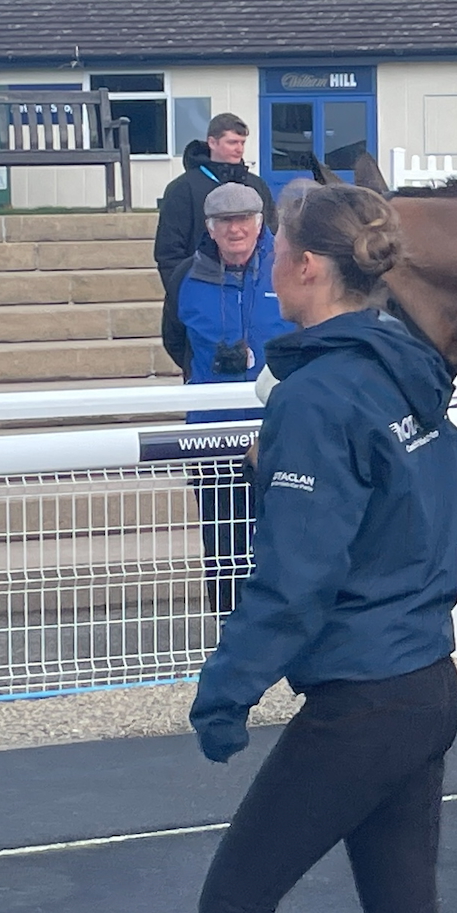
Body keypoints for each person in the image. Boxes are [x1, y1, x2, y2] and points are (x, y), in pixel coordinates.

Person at [187, 182, 457, 913]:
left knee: (233, 903)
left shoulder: (316, 397)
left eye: (275, 248)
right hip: (424, 684)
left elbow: (292, 581)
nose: (267, 262)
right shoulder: (412, 371)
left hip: (365, 696)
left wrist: (224, 693)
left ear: (306, 267)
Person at [177, 181, 291, 614]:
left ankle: (285, 623)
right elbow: (177, 339)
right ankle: (229, 623)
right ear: (211, 228)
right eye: (225, 221)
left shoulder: (288, 265)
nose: (236, 229)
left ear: (259, 222)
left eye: (243, 218)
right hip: (215, 431)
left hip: (280, 426)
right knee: (224, 540)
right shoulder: (188, 274)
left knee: (285, 533)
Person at [156, 114, 275, 372]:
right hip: (204, 295)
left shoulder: (258, 186)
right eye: (233, 142)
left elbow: (271, 237)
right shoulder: (182, 189)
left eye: (243, 143)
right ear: (212, 142)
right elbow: (168, 252)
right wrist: (193, 291)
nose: (239, 149)